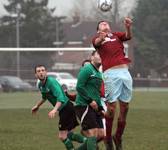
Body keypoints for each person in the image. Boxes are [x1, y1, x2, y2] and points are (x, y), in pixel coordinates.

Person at [92, 17, 133, 150]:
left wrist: (127, 26)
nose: (104, 23)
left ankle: (118, 136)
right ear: (98, 30)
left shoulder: (116, 35)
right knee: (111, 109)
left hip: (125, 72)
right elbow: (97, 42)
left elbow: (128, 36)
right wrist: (101, 37)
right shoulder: (97, 39)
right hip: (111, 74)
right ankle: (108, 138)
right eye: (101, 24)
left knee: (125, 107)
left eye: (106, 23)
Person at [31, 65, 87, 150]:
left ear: (46, 72)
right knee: (69, 135)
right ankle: (89, 142)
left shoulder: (51, 82)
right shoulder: (40, 85)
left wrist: (54, 110)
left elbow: (60, 98)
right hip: (66, 108)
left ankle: (89, 143)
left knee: (62, 136)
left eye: (43, 70)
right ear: (36, 75)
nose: (41, 72)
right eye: (38, 71)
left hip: (66, 108)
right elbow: (45, 96)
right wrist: (37, 106)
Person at [75, 51, 105, 150]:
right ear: (92, 57)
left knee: (101, 134)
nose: (101, 56)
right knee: (93, 133)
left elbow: (96, 93)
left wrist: (100, 108)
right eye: (98, 54)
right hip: (84, 105)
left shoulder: (99, 73)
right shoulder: (87, 69)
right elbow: (79, 87)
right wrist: (90, 101)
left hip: (95, 107)